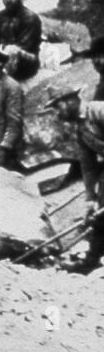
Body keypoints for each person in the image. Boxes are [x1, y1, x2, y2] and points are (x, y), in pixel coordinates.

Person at [49, 91, 104, 271]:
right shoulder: (80, 130)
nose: (57, 113)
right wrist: (90, 198)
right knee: (98, 217)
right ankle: (91, 261)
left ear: (70, 100)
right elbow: (88, 166)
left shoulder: (99, 111)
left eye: (57, 107)